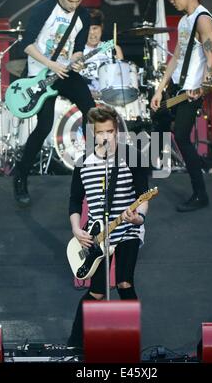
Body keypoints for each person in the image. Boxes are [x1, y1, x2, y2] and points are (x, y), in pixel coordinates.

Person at [67, 105, 148, 349]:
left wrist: (139, 218)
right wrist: (75, 229)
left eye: (110, 131)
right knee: (97, 293)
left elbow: (143, 195)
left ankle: (129, 343)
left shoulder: (131, 157)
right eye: (101, 132)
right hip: (97, 234)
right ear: (93, 134)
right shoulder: (83, 164)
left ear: (117, 132)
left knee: (124, 283)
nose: (106, 137)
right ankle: (74, 344)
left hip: (127, 229)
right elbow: (74, 200)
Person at [13, 0, 95, 206]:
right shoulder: (44, 9)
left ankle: (90, 171)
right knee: (44, 125)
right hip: (41, 74)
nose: (74, 5)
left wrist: (78, 58)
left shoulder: (83, 15)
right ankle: (21, 176)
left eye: (78, 0)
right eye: (70, 0)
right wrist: (51, 65)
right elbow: (27, 43)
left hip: (66, 72)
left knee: (92, 112)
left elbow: (79, 47)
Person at [151, 0, 212, 212]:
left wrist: (204, 84)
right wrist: (159, 90)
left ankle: (201, 194)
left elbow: (210, 55)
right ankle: (145, 174)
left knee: (180, 134)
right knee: (158, 118)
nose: (173, 2)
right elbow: (175, 58)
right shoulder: (184, 21)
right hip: (176, 88)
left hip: (192, 91)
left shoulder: (203, 19)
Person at [80, 8, 124, 99]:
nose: (92, 33)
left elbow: (122, 76)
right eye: (88, 29)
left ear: (102, 27)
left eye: (95, 28)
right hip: (84, 96)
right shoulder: (77, 50)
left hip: (111, 96)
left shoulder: (113, 48)